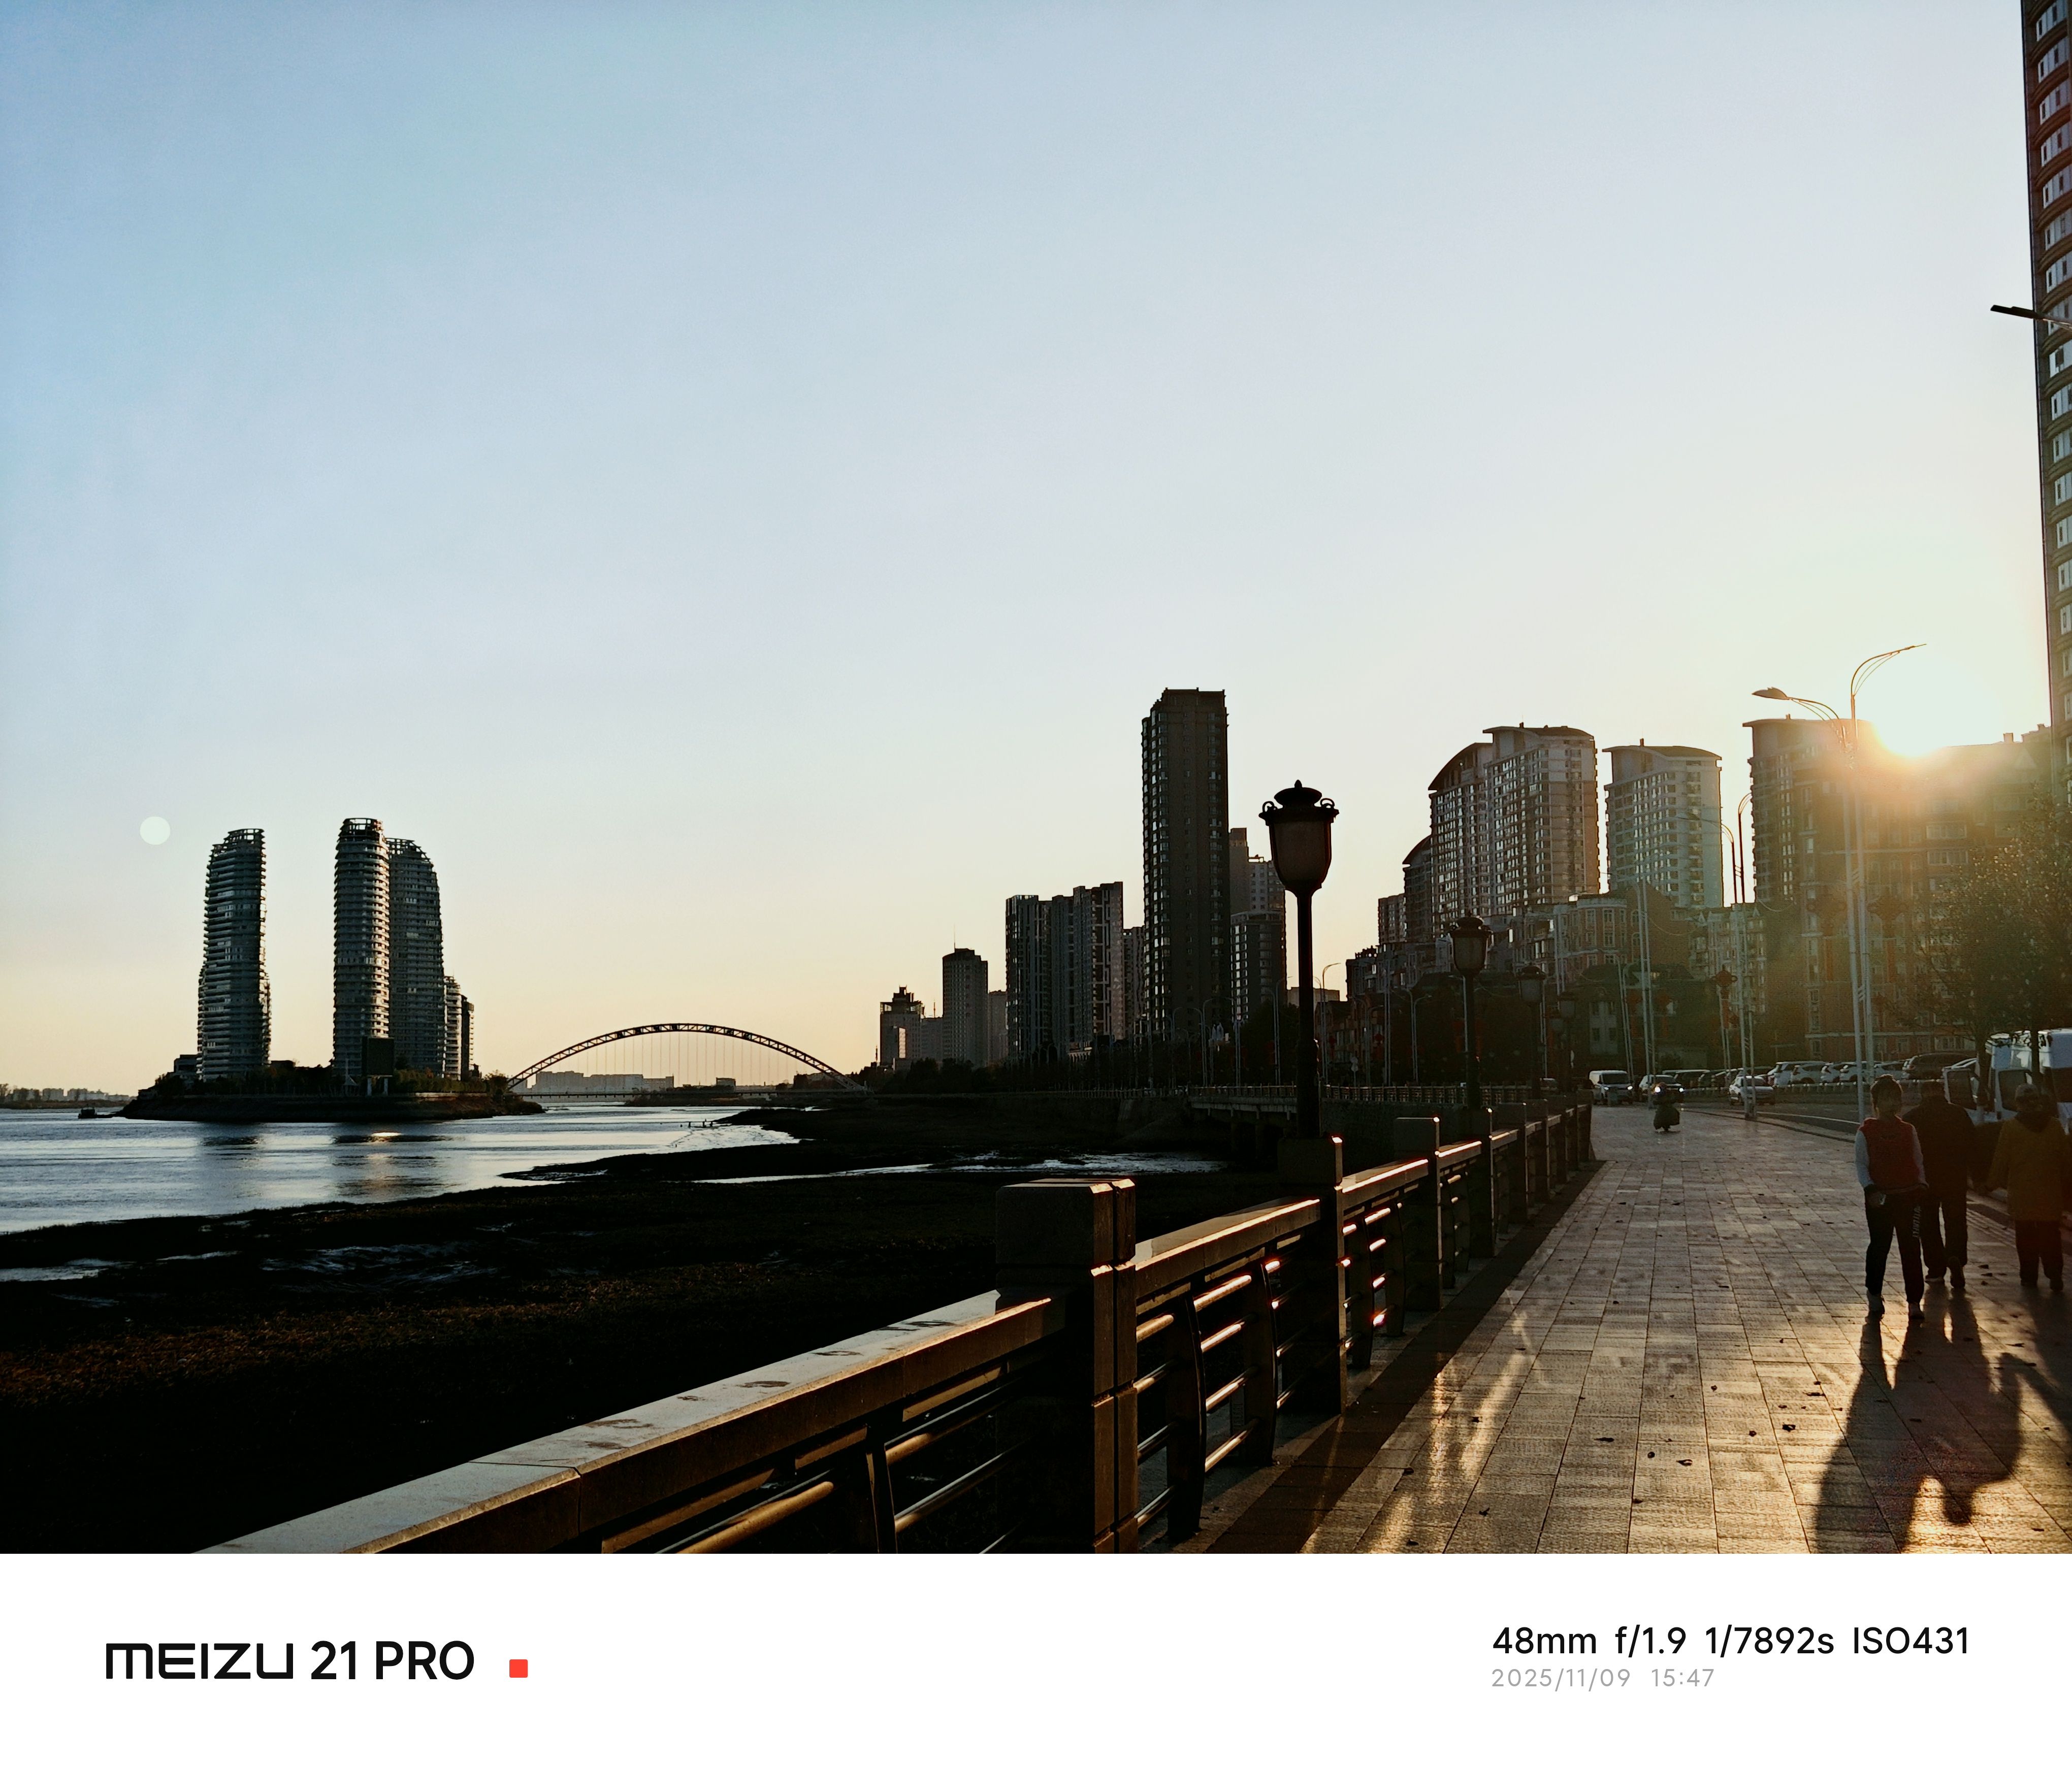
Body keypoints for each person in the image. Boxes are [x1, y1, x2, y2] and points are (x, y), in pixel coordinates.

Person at [1985, 1084, 2070, 1291]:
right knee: (2051, 1236)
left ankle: (2029, 1277)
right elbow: (2066, 1160)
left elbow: (2001, 1160)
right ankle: (2055, 1275)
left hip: (2022, 1194)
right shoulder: (2054, 1126)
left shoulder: (2011, 1128)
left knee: (2025, 1238)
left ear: (2018, 1103)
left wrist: (1989, 1184)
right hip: (2050, 1194)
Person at [1856, 1074, 1928, 1320]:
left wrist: (1922, 1185)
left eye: (1896, 1098)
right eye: (1887, 1098)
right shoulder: (1866, 1133)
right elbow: (1862, 1165)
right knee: (1880, 1247)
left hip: (1909, 1197)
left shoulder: (1908, 1130)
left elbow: (1918, 1160)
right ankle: (1874, 1293)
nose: (1893, 1103)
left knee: (1911, 1249)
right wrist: (1870, 1190)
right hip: (1880, 1199)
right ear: (1876, 1102)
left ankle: (1914, 1301)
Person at [1905, 1078, 1977, 1293]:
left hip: (1926, 1180)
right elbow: (1973, 1145)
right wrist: (1977, 1176)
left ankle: (1936, 1269)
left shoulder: (1913, 1117)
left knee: (1928, 1225)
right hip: (1955, 1177)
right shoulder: (1959, 1114)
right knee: (1956, 1221)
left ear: (1923, 1094)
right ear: (1942, 1092)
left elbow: (1907, 1152)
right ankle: (1956, 1257)